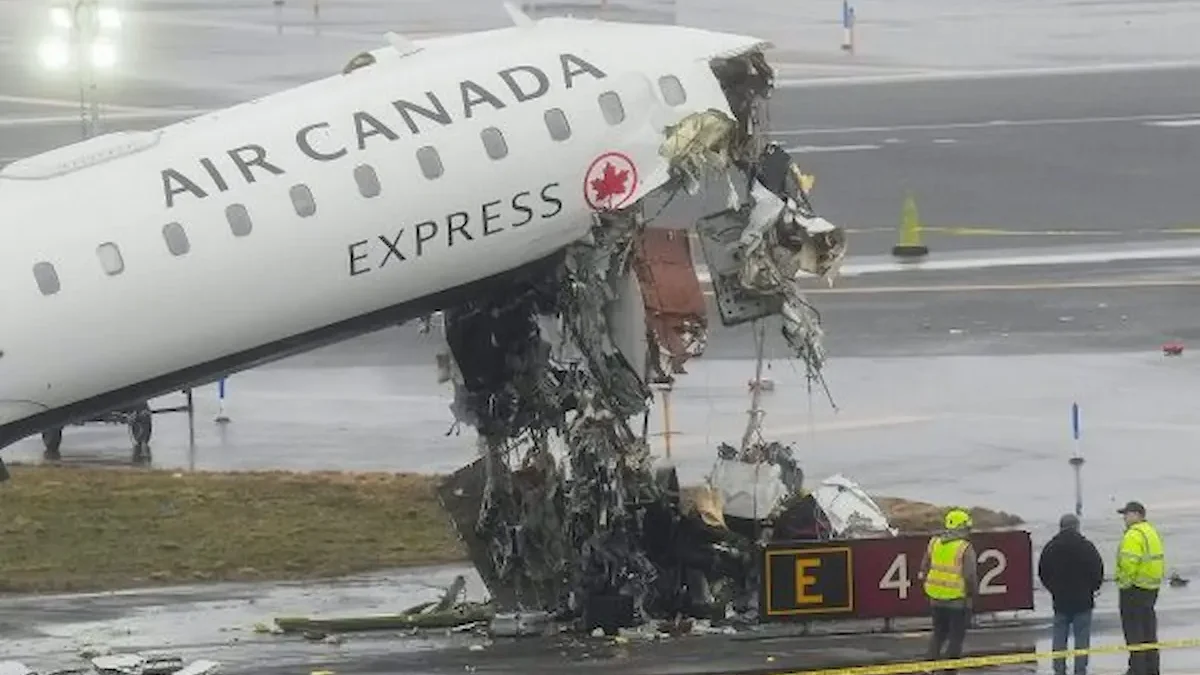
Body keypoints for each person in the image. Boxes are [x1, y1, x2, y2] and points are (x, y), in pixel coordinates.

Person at [1038, 513, 1104, 675]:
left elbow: (1042, 572)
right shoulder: (1087, 546)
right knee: (1082, 638)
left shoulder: (1051, 547)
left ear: (1060, 527)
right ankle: (1080, 669)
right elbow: (1098, 570)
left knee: (1059, 636)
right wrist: (1093, 588)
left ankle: (1059, 668)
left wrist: (1053, 589)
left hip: (1060, 600)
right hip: (1083, 600)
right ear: (1077, 527)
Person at [919, 507, 979, 674]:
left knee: (938, 634)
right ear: (962, 527)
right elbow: (970, 576)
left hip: (935, 598)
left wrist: (930, 588)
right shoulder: (964, 548)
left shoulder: (934, 543)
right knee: (956, 638)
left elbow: (924, 567)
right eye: (967, 527)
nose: (969, 531)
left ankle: (928, 667)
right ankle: (950, 671)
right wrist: (973, 595)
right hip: (958, 601)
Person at [1115, 501, 1165, 675]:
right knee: (1149, 632)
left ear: (1137, 514)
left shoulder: (1133, 534)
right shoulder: (1151, 532)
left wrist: (1123, 583)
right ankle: (1152, 668)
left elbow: (1129, 564)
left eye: (1127, 514)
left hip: (1133, 590)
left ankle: (1137, 669)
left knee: (1134, 634)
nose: (1124, 518)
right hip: (1150, 589)